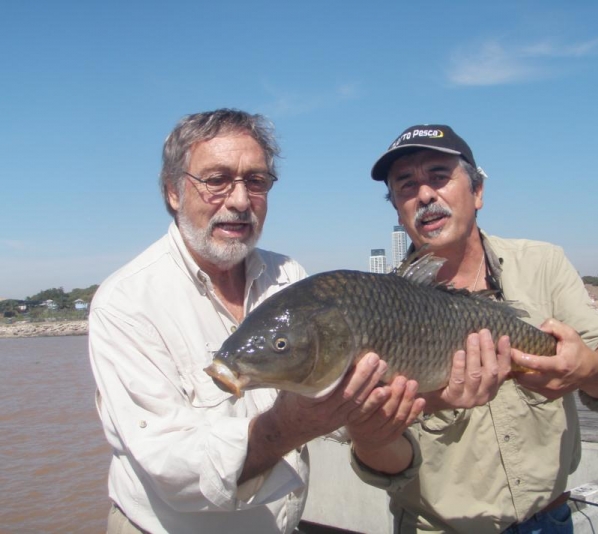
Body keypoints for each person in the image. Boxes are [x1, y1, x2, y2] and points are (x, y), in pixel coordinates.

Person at [88, 109, 425, 534]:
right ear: (173, 191)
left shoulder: (289, 278)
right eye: (216, 180)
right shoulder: (126, 302)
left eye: (256, 181)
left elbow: (336, 407)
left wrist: (387, 408)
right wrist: (286, 427)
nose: (240, 200)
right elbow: (171, 469)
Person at [350, 124, 598, 533]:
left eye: (438, 176)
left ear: (478, 192)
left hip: (552, 520)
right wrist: (408, 412)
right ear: (397, 209)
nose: (425, 195)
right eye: (406, 186)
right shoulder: (377, 309)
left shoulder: (544, 263)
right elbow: (384, 466)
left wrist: (588, 368)